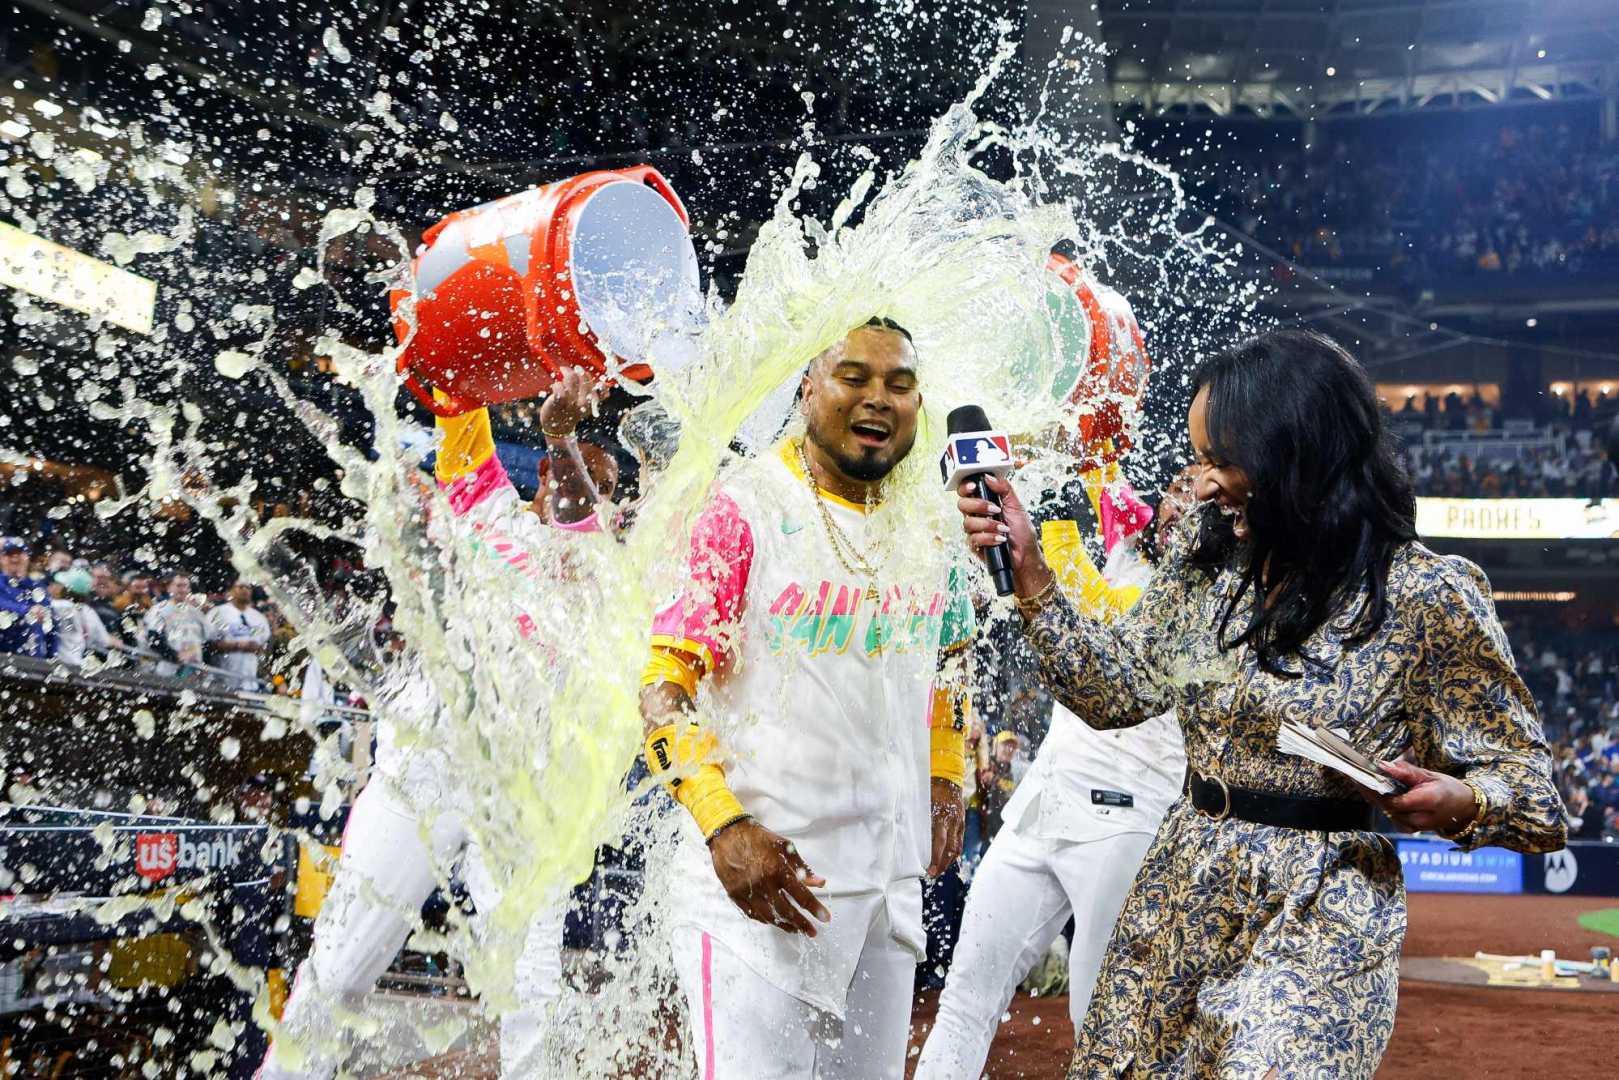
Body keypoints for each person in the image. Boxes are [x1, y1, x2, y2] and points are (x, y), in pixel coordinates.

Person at [955, 329, 1565, 1078]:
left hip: (1321, 904)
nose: (1202, 483)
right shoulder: (1207, 563)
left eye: (1221, 460)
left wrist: (1463, 799)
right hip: (1180, 883)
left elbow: (1534, 797)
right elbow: (1112, 690)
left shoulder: (1427, 596)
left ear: (1297, 457)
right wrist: (1028, 573)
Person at [639, 319, 974, 1080]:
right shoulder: (742, 507)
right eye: (853, 377)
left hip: (884, 898)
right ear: (807, 387)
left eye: (898, 383)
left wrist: (946, 776)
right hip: (760, 890)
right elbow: (663, 688)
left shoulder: (933, 523)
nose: (877, 399)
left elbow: (950, 661)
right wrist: (723, 826)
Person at [261, 367, 615, 1080]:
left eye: (607, 487)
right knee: (340, 965)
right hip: (425, 762)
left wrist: (562, 431)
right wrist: (449, 332)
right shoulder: (491, 516)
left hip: (524, 793)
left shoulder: (605, 565)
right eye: (582, 476)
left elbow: (579, 518)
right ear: (541, 476)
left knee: (532, 993)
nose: (595, 493)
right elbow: (459, 419)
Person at [915, 475, 1186, 1080]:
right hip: (1045, 803)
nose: (1175, 503)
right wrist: (1074, 466)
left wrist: (1049, 530)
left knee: (1104, 1025)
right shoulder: (1129, 549)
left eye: (1195, 493)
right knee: (964, 995)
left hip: (1127, 823)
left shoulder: (1199, 592)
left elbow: (1087, 605)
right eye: (1174, 487)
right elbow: (1099, 467)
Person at [141, 572, 211, 676]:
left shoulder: (196, 613)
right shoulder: (159, 610)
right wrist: (175, 656)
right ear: (169, 588)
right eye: (178, 586)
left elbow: (206, 641)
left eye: (185, 586)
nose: (182, 590)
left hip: (194, 672)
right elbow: (153, 639)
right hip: (167, 670)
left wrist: (204, 663)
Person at [209, 579, 272, 691]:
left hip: (250, 681)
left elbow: (264, 647)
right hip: (222, 680)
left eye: (248, 588)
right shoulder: (218, 612)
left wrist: (255, 647)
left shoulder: (258, 617)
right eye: (240, 587)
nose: (245, 590)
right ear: (231, 591)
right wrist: (236, 645)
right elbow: (209, 645)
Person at [0, 537, 57, 658]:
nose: (15, 558)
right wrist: (26, 610)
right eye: (9, 554)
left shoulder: (37, 588)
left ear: (27, 558)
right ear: (2, 559)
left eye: (19, 554)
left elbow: (52, 624)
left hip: (34, 662)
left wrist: (53, 660)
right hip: (3, 658)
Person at [48, 567, 115, 666]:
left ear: (66, 589)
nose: (53, 586)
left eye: (58, 584)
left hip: (57, 665)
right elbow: (105, 641)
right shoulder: (88, 611)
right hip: (77, 665)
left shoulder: (59, 605)